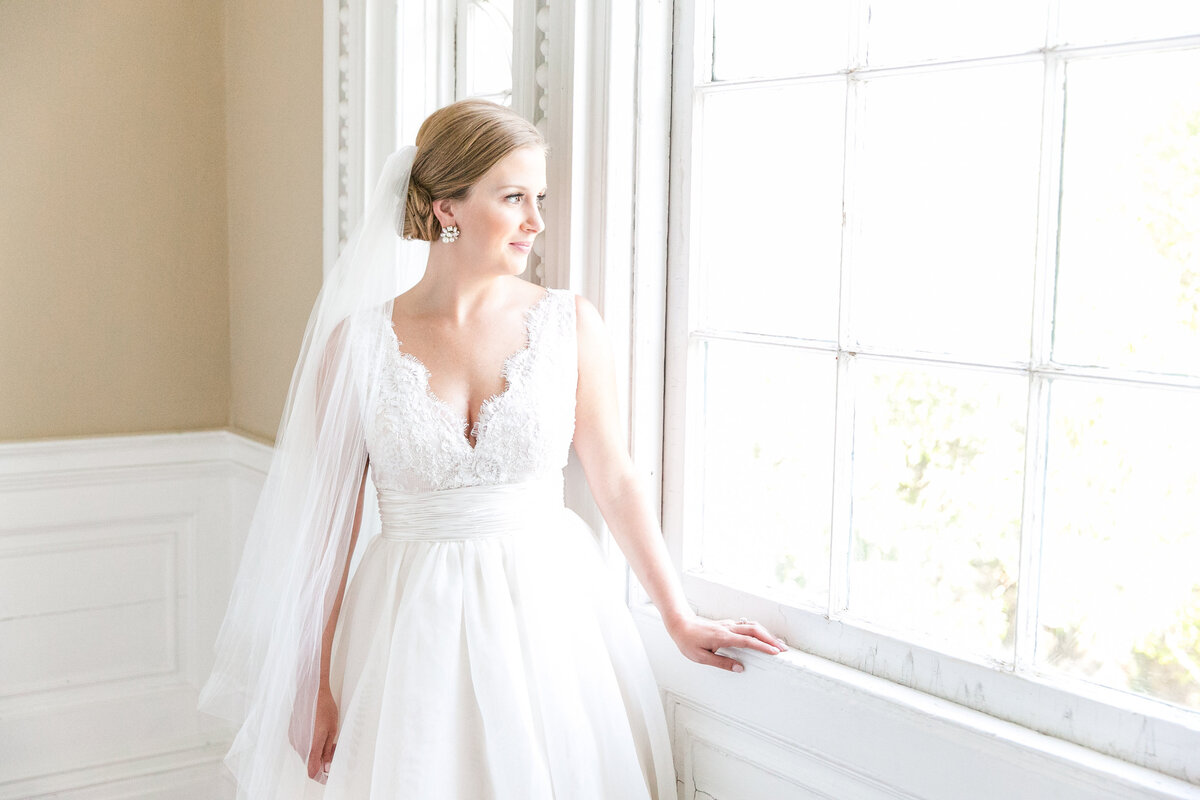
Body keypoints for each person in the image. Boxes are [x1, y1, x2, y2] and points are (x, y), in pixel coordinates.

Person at [200, 98, 786, 800]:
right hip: (404, 626)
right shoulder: (355, 346)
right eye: (514, 198)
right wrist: (310, 682)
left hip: (548, 620)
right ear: (448, 205)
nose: (536, 221)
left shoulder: (570, 324)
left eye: (537, 198)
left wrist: (678, 615)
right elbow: (329, 530)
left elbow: (617, 478)